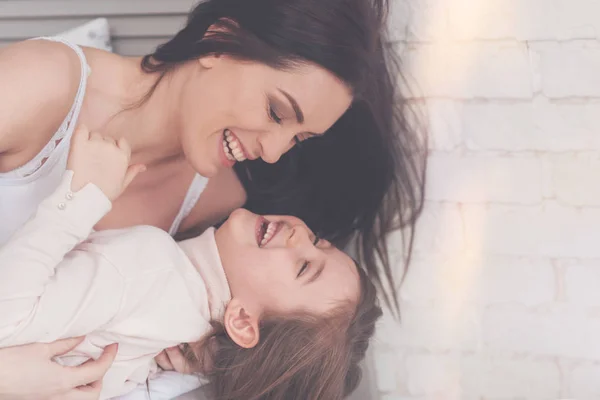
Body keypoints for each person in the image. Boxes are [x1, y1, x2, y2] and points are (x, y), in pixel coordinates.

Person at [0, 0, 426, 397]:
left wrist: (212, 354)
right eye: (276, 112)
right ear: (218, 42)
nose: (274, 152)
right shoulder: (42, 86)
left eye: (297, 137)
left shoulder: (219, 201)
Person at [0, 126, 382, 400]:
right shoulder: (169, 327)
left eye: (303, 268)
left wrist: (76, 201)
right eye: (319, 242)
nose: (301, 238)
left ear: (243, 321)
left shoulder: (152, 267)